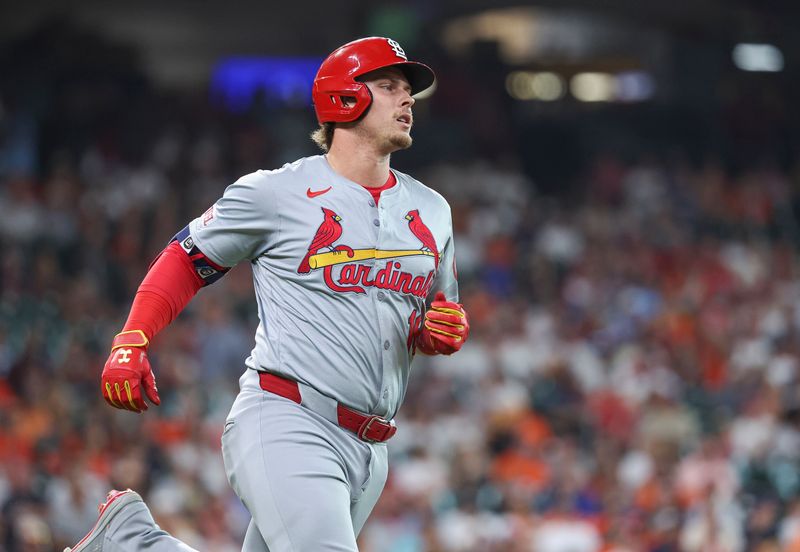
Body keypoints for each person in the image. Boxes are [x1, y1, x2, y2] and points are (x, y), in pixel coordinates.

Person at [66, 36, 469, 552]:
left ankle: (132, 543)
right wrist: (132, 338)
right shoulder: (276, 192)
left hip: (371, 446)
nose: (407, 99)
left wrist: (436, 332)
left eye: (408, 90)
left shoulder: (432, 209)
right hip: (288, 421)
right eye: (389, 86)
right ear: (344, 98)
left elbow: (435, 312)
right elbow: (186, 259)